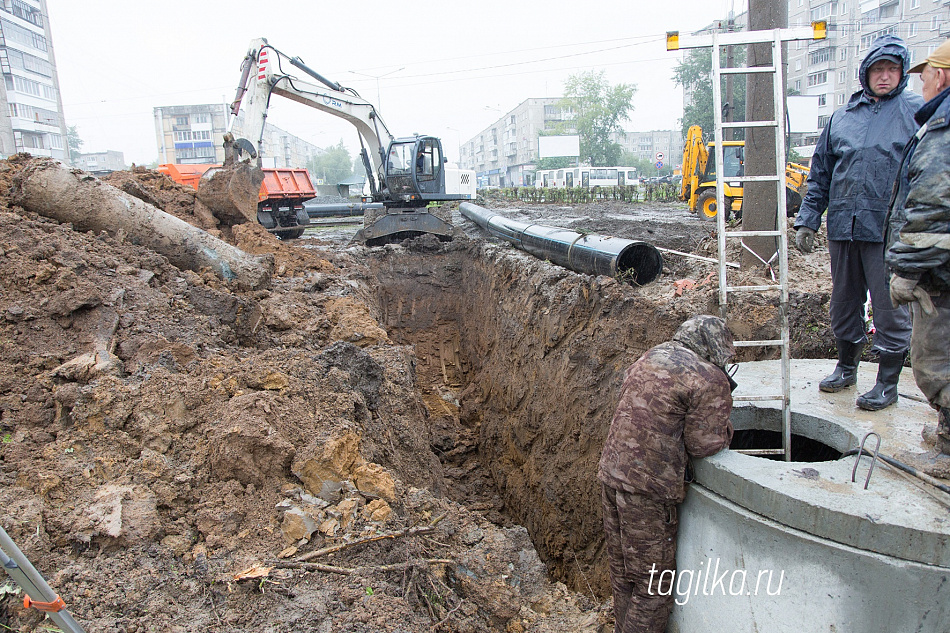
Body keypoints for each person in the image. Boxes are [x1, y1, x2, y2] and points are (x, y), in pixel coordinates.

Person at [793, 35, 924, 410]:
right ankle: (846, 368)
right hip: (844, 227)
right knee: (844, 302)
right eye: (877, 69)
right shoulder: (842, 117)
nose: (884, 76)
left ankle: (887, 383)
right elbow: (820, 174)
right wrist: (808, 219)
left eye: (891, 69)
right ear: (865, 73)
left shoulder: (917, 111)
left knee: (889, 306)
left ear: (902, 73)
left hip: (889, 230)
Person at [598, 315, 735, 632]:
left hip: (611, 473)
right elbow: (703, 444)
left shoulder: (652, 355)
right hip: (649, 490)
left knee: (623, 576)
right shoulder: (709, 377)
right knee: (652, 587)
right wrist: (726, 429)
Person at [885, 38, 950, 455]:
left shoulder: (942, 130)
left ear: (940, 76)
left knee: (937, 364)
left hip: (941, 272)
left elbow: (931, 208)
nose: (920, 83)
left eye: (923, 75)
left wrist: (908, 270)